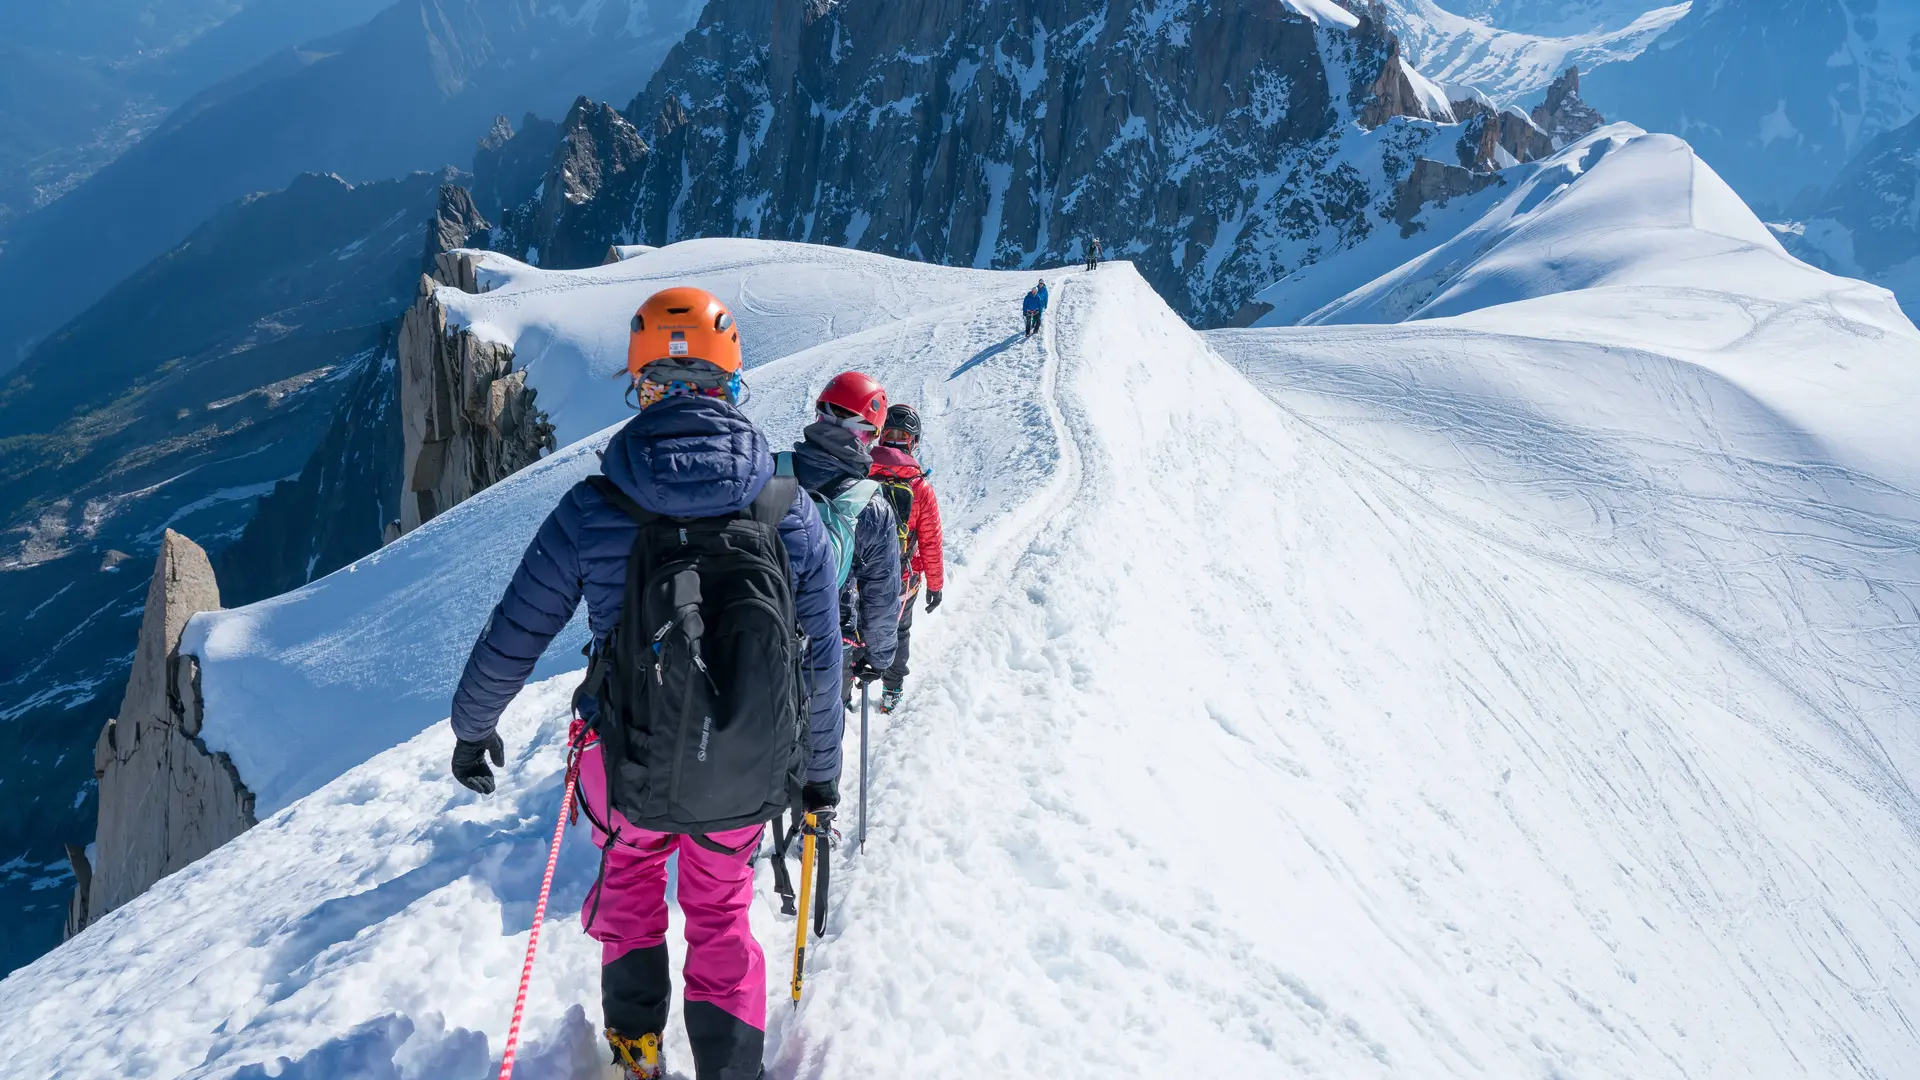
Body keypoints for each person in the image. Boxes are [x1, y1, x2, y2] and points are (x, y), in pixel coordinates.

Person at [446, 286, 842, 1080]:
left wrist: (473, 725)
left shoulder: (596, 505)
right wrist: (820, 779)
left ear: (643, 386)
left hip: (622, 753)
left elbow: (516, 630)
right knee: (721, 908)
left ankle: (637, 1051)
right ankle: (730, 1068)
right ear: (731, 383)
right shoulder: (787, 508)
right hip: (743, 756)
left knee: (629, 882)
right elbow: (821, 656)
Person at [785, 371, 901, 708]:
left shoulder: (770, 470)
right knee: (816, 750)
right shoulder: (871, 506)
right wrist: (879, 658)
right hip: (825, 647)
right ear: (867, 435)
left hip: (754, 633)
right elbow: (880, 597)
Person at [869, 403, 945, 713]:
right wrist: (936, 585)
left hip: (858, 575)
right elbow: (930, 541)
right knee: (898, 632)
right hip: (903, 579)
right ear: (913, 441)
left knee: (852, 631)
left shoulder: (860, 474)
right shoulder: (920, 488)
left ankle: (844, 694)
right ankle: (891, 691)